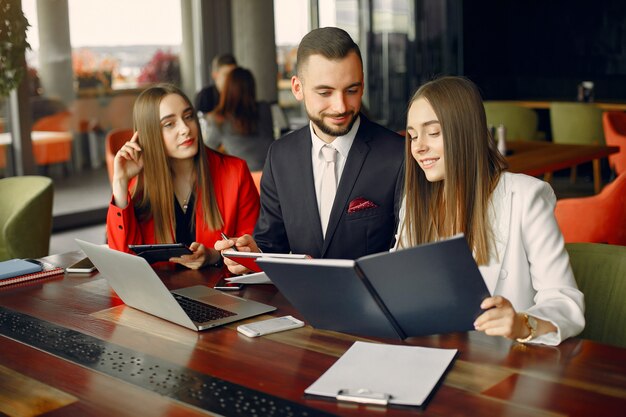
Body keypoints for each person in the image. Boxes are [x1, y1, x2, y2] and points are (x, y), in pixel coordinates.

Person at [395, 76, 584, 345]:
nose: (418, 146)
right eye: (413, 135)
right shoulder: (414, 203)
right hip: (432, 355)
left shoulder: (525, 197)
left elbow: (565, 301)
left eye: (433, 132)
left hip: (506, 367)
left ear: (466, 132)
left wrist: (521, 323)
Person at [215, 27, 405, 274]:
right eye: (325, 92)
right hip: (295, 308)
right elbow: (272, 244)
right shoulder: (280, 155)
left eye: (352, 90)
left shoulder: (398, 154)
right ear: (297, 88)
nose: (340, 106)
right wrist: (252, 256)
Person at [107, 83, 260, 269]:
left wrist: (214, 256)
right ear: (150, 134)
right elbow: (124, 264)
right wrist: (120, 182)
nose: (185, 129)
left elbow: (253, 251)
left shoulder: (234, 172)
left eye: (188, 117)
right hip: (159, 293)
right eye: (169, 124)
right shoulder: (137, 184)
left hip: (220, 293)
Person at [203, 67, 274, 171]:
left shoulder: (219, 118)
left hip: (244, 178)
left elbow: (207, 152)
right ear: (251, 89)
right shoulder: (264, 109)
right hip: (271, 175)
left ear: (227, 88)